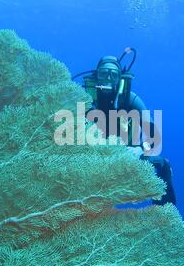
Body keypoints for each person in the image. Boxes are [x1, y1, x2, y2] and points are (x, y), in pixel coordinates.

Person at [73, 48, 176, 206]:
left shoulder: (132, 100)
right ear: (96, 76)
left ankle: (165, 215)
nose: (108, 79)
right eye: (103, 74)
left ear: (120, 79)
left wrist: (140, 149)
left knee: (162, 165)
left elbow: (154, 137)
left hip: (128, 153)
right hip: (92, 154)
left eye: (113, 75)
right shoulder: (85, 98)